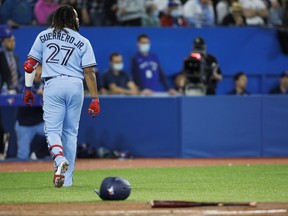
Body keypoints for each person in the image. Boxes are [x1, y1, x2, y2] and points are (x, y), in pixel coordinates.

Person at [22, 5, 100, 188]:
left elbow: (29, 65)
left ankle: (59, 159)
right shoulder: (83, 40)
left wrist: (27, 88)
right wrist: (95, 99)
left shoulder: (43, 35)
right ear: (73, 19)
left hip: (53, 84)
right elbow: (89, 72)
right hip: (75, 85)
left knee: (52, 131)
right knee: (71, 133)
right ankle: (68, 180)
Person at [15, 66, 46, 160]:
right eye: (36, 68)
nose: (38, 71)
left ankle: (37, 154)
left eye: (40, 68)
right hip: (24, 123)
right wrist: (37, 92)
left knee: (56, 134)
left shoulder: (45, 81)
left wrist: (46, 92)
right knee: (23, 155)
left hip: (40, 122)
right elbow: (20, 89)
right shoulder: (25, 79)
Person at [0, 27, 21, 94]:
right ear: (3, 43)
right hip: (4, 92)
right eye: (9, 40)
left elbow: (18, 76)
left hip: (17, 92)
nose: (12, 43)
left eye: (13, 40)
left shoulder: (15, 57)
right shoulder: (1, 57)